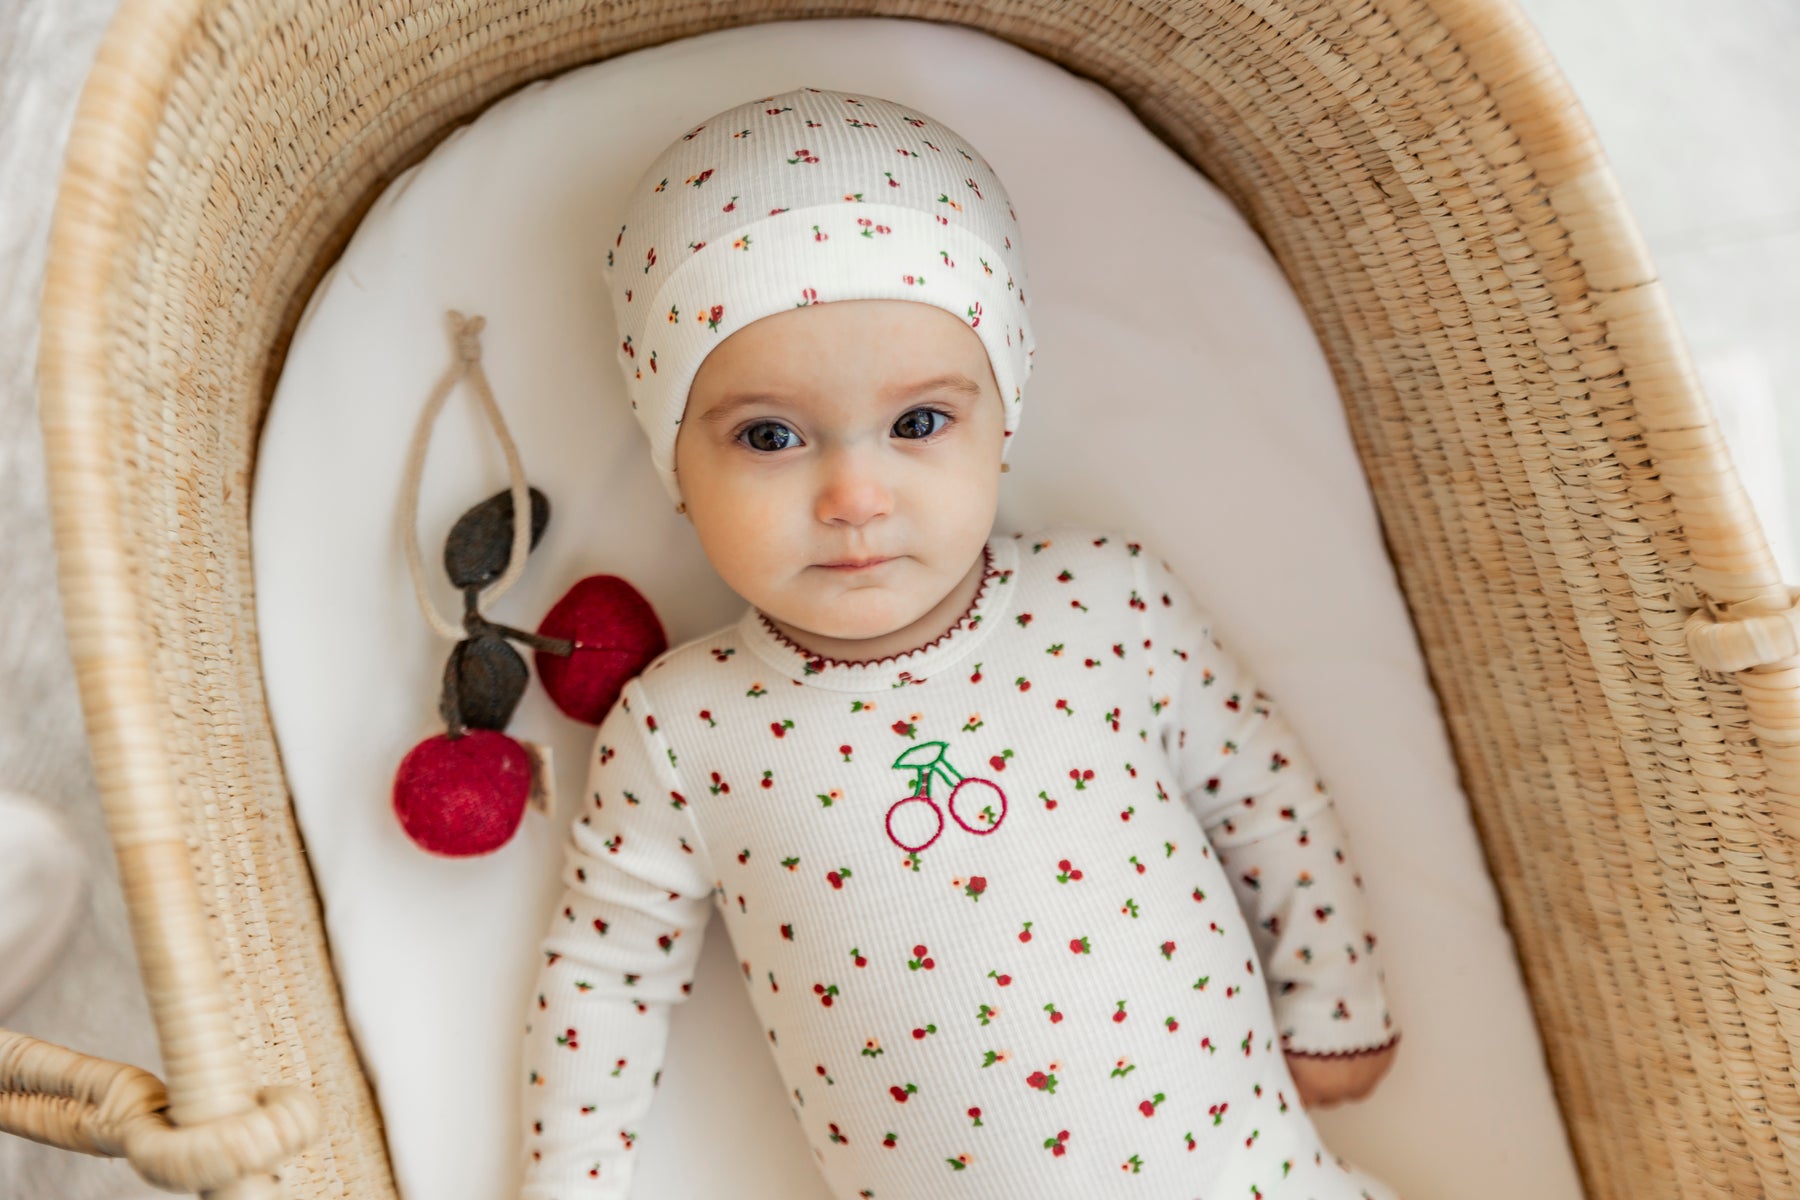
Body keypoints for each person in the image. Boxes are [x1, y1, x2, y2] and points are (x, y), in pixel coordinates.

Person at [519, 85, 1401, 1199]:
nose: (854, 495)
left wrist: (1335, 997)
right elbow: (604, 976)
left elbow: (1264, 793)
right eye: (770, 436)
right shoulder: (683, 730)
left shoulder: (1104, 603)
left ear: (1003, 421)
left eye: (919, 423)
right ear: (674, 466)